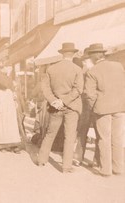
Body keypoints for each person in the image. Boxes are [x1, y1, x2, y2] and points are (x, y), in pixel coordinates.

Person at [37, 42, 84, 173]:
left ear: (62, 54)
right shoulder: (77, 70)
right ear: (73, 54)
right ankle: (66, 167)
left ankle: (41, 160)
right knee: (69, 137)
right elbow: (78, 89)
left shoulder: (51, 69)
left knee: (50, 134)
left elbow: (45, 88)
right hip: (72, 107)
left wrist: (54, 101)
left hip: (55, 107)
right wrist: (65, 101)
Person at [84, 43, 125, 176]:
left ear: (94, 57)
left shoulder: (92, 71)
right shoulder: (118, 66)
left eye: (90, 56)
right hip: (120, 107)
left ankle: (106, 170)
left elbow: (89, 94)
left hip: (102, 109)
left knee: (104, 139)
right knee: (117, 138)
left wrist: (93, 107)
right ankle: (118, 168)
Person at [73, 47, 100, 167]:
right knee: (84, 131)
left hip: (93, 104)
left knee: (97, 132)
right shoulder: (84, 71)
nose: (83, 62)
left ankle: (94, 159)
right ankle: (81, 157)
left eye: (85, 60)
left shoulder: (92, 71)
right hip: (87, 104)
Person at [0, 63, 21, 153]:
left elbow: (10, 87)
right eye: (8, 67)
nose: (10, 69)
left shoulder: (5, 76)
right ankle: (2, 144)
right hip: (1, 98)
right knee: (1, 121)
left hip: (8, 98)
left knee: (10, 122)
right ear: (3, 68)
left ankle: (12, 143)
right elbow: (5, 85)